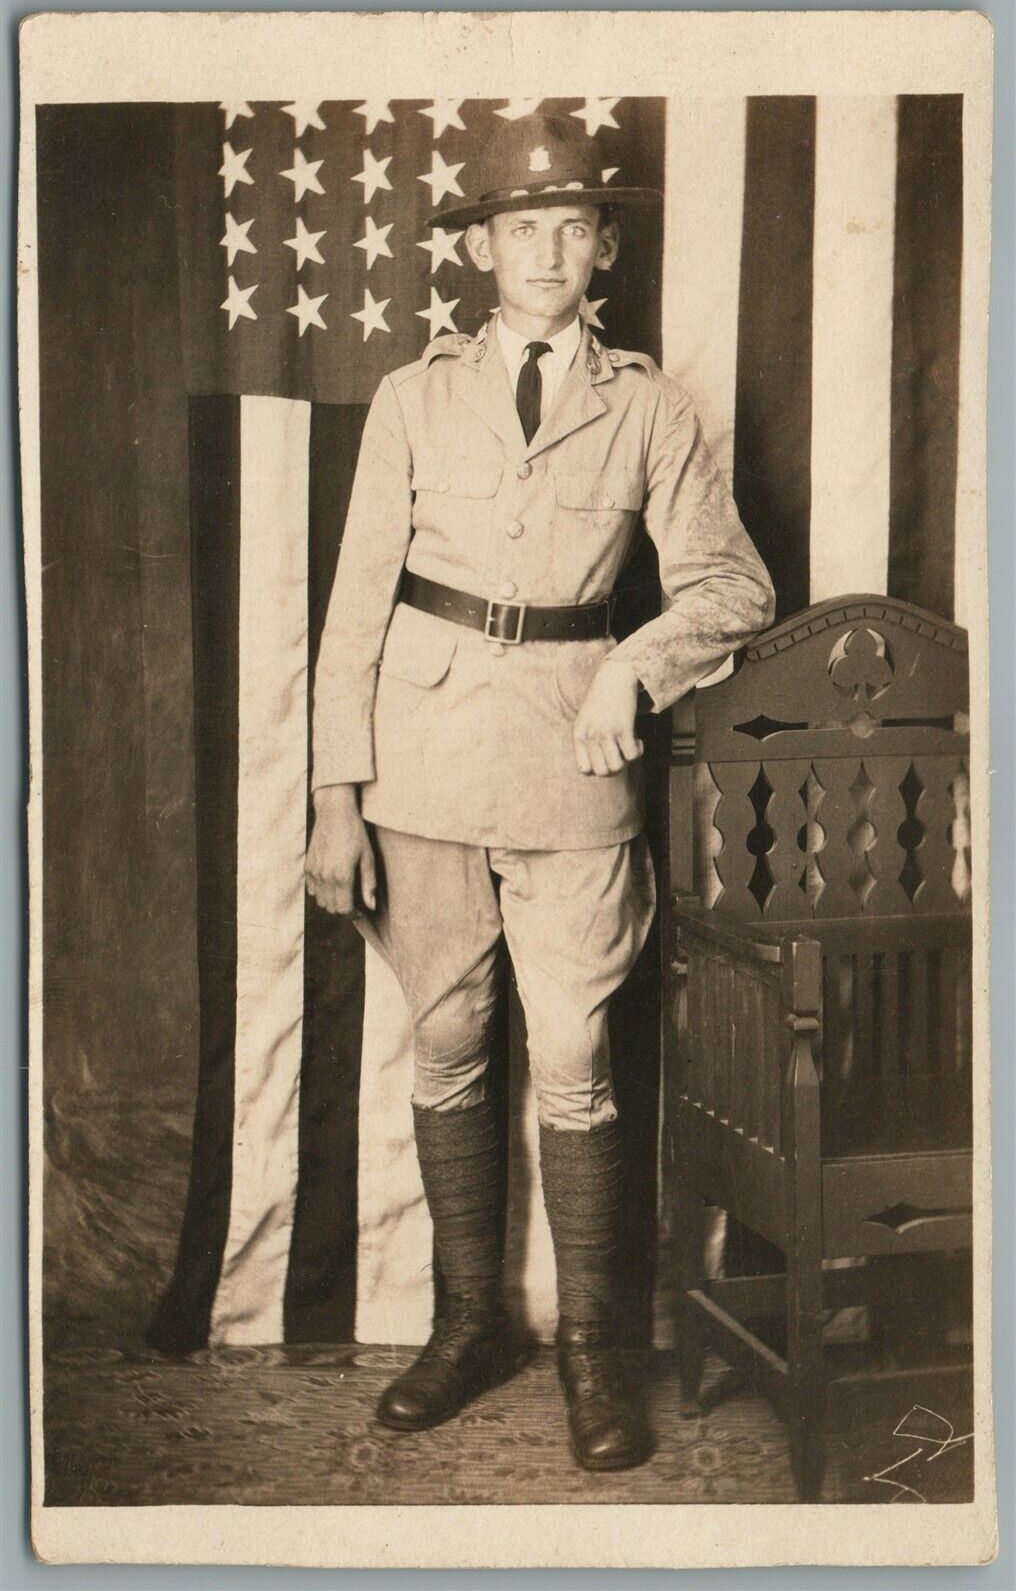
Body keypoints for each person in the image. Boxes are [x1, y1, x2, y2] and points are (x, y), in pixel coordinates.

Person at [305, 109, 775, 1472]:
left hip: (579, 777)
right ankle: (466, 1329)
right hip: (423, 772)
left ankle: (592, 1356)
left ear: (604, 246)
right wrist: (337, 797)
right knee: (448, 1046)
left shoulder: (650, 405)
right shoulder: (415, 396)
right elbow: (351, 613)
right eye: (522, 228)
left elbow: (735, 589)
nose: (548, 251)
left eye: (573, 228)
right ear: (481, 250)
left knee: (572, 1059)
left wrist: (635, 667)